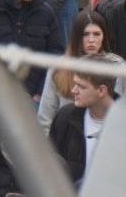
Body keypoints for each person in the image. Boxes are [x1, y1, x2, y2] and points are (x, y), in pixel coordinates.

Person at [48, 54, 118, 183]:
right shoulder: (65, 117)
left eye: (81, 86)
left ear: (101, 90)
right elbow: (48, 167)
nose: (74, 90)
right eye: (75, 84)